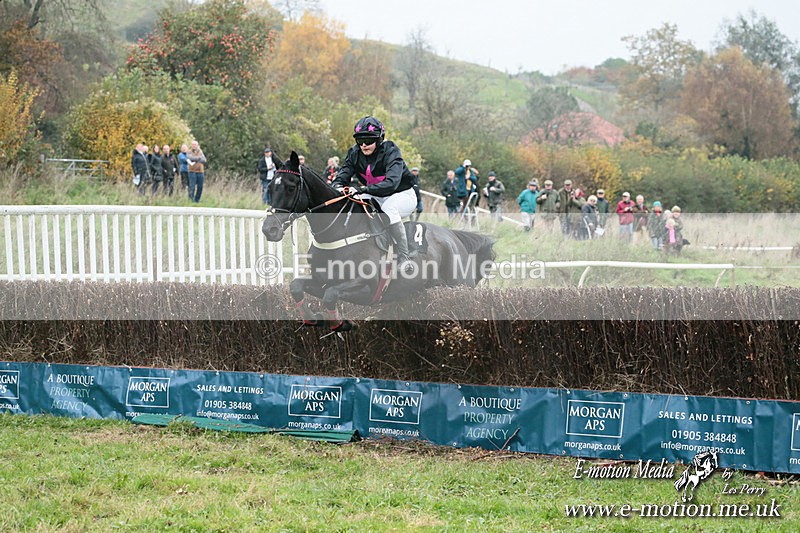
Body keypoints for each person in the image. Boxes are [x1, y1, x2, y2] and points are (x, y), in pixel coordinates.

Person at [332, 116, 417, 272]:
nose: (364, 145)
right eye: (360, 141)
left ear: (379, 139)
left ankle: (404, 258)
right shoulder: (354, 153)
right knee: (354, 203)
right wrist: (337, 186)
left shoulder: (391, 151)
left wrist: (362, 189)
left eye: (368, 140)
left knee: (389, 208)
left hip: (402, 194)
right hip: (376, 194)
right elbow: (343, 175)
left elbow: (391, 183)